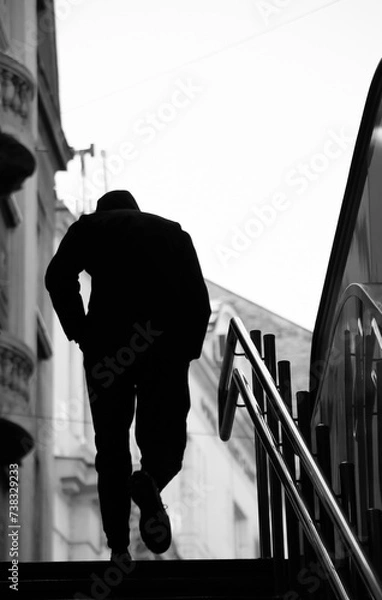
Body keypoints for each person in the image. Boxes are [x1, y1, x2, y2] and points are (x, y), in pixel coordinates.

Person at [45, 190, 211, 563]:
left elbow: (57, 276)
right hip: (162, 345)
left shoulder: (91, 226)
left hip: (108, 346)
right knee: (164, 431)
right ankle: (152, 479)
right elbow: (198, 301)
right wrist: (187, 350)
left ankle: (118, 546)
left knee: (112, 444)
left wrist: (80, 331)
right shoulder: (173, 233)